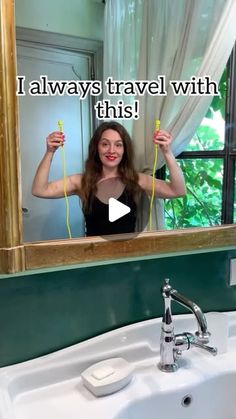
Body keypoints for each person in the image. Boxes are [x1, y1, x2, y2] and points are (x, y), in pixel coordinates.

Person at [32, 121, 186, 236]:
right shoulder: (81, 181)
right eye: (105, 144)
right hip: (93, 260)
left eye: (118, 145)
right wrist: (50, 151)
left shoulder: (137, 180)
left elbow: (177, 190)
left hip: (127, 261)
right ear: (96, 148)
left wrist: (167, 151)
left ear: (124, 150)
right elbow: (40, 190)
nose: (112, 150)